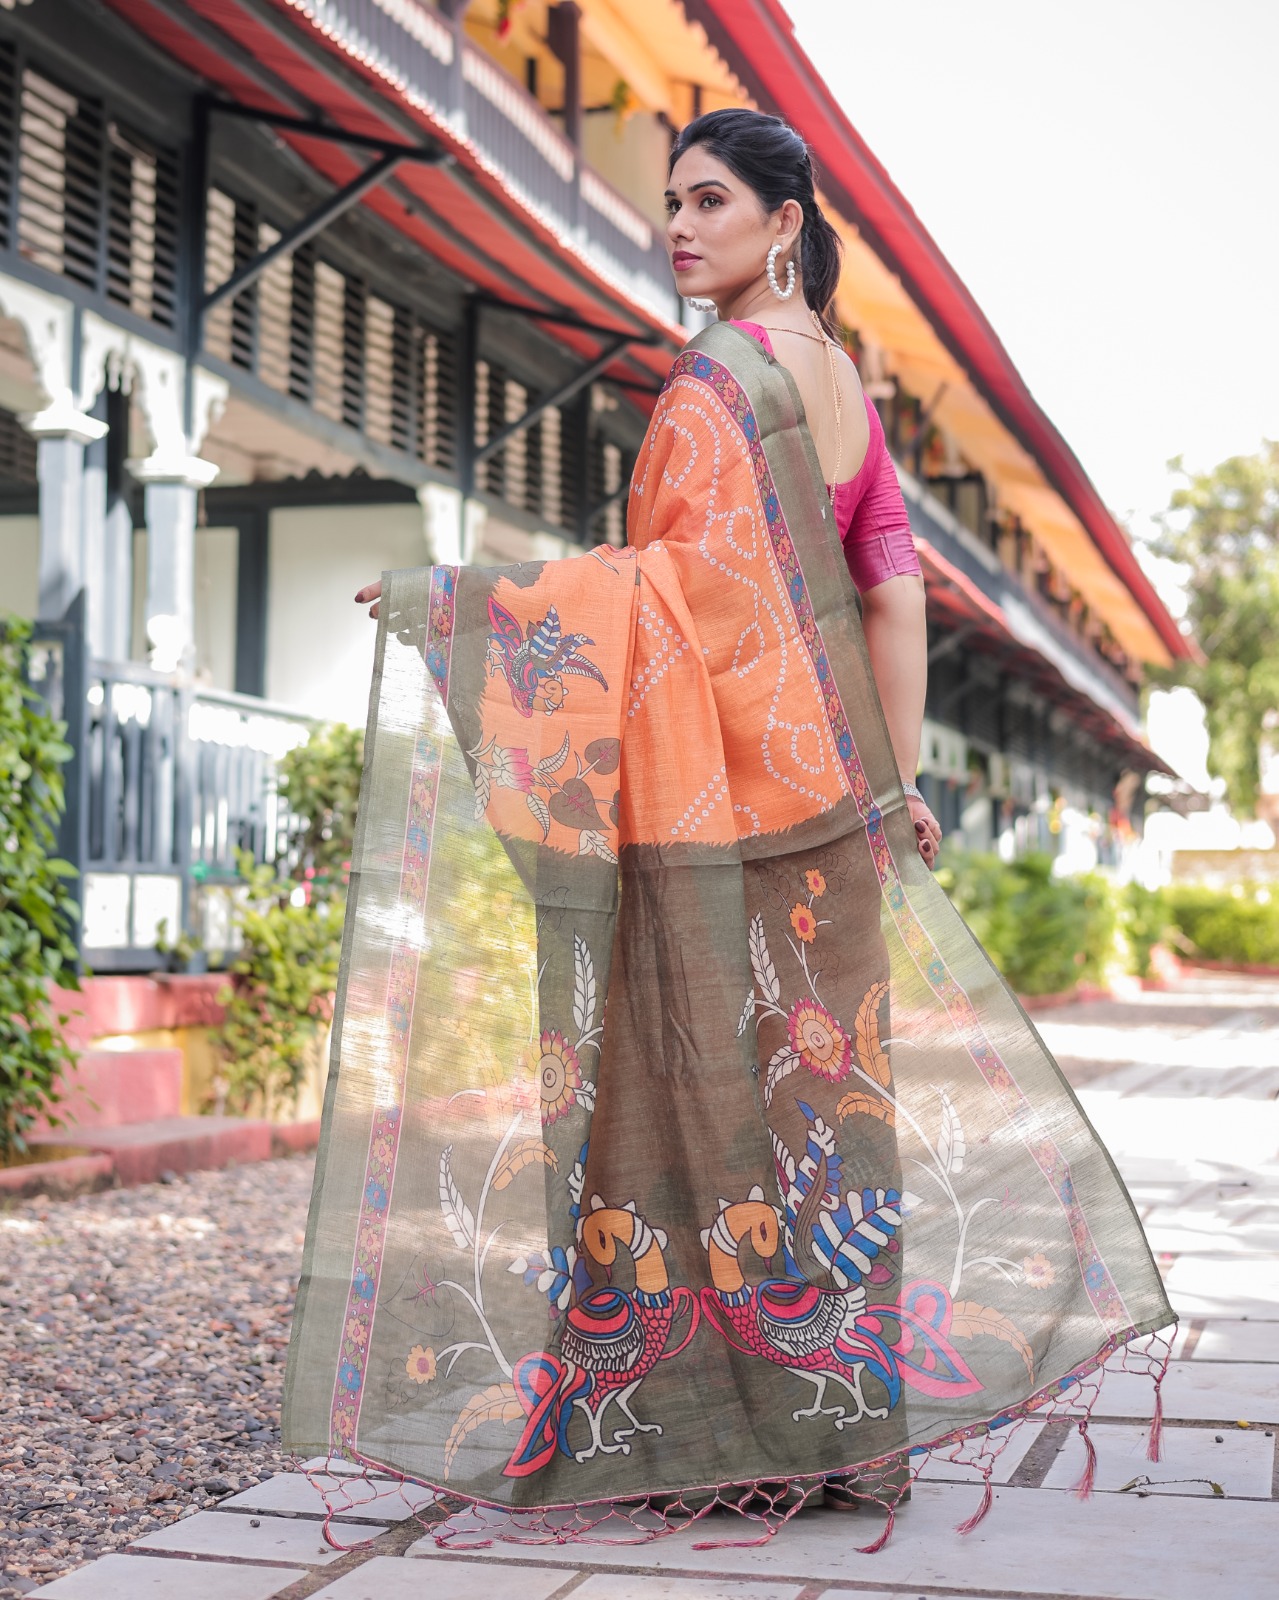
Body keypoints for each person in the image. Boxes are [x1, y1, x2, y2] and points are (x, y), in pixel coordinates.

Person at [285, 108, 1172, 1548]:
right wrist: (889, 785)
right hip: (823, 810)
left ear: (784, 220)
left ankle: (697, 1428)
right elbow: (891, 595)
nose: (681, 228)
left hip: (713, 819)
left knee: (693, 1091)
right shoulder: (846, 392)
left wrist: (466, 605)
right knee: (821, 1116)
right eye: (674, 204)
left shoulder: (719, 380)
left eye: (710, 201)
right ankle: (841, 1433)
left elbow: (670, 591)